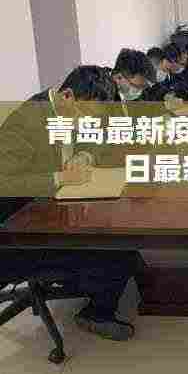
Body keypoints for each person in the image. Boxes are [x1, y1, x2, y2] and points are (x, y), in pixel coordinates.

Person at [0, 66, 145, 341]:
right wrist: (59, 178)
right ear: (68, 95)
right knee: (119, 250)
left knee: (119, 228)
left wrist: (84, 156)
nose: (88, 122)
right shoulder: (27, 122)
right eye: (87, 115)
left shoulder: (63, 110)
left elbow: (94, 140)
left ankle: (90, 281)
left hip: (47, 213)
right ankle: (95, 314)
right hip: (15, 235)